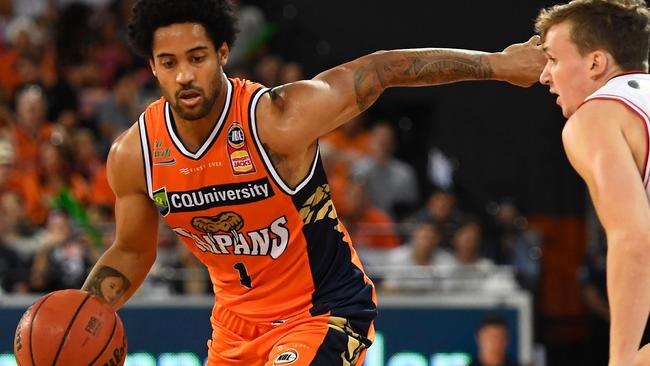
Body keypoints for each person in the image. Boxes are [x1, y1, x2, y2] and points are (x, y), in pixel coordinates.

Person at [80, 0, 545, 364]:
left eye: (197, 57)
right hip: (234, 328)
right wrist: (83, 315)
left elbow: (381, 69)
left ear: (223, 53)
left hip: (324, 311)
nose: (184, 75)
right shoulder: (135, 154)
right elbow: (134, 250)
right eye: (168, 62)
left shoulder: (277, 120)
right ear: (153, 67)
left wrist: (499, 64)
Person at [535, 1, 650, 365]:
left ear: (595, 63)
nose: (544, 76)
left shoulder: (594, 117)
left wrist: (621, 360)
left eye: (552, 59)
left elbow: (633, 240)